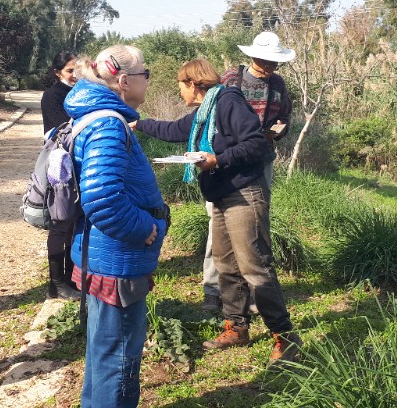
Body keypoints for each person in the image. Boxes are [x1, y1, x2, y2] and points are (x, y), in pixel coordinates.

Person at [132, 58, 301, 367]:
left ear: (193, 84)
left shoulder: (228, 103)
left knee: (255, 266)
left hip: (244, 193)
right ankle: (236, 327)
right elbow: (174, 130)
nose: (179, 92)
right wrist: (138, 123)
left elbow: (257, 145)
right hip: (223, 194)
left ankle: (286, 336)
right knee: (226, 264)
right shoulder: (204, 112)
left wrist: (216, 160)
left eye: (180, 86)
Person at [64, 45, 168, 407]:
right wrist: (146, 228)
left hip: (105, 255)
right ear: (124, 81)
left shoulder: (95, 114)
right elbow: (104, 200)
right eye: (146, 74)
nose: (148, 80)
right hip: (118, 259)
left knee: (104, 351)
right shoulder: (109, 123)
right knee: (119, 359)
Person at [201, 31, 295, 312]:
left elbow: (285, 117)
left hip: (259, 160)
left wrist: (277, 131)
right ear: (253, 56)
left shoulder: (278, 84)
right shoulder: (233, 79)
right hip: (227, 161)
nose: (270, 67)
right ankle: (213, 288)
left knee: (253, 226)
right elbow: (211, 114)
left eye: (274, 62)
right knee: (218, 225)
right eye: (266, 60)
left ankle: (252, 292)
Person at [40, 51, 82, 300]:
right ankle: (56, 283)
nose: (74, 75)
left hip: (75, 163)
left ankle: (69, 278)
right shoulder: (53, 95)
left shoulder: (78, 93)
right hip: (59, 166)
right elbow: (61, 129)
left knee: (73, 223)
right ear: (58, 73)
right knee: (59, 223)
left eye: (77, 70)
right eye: (69, 71)